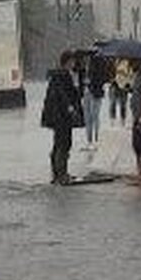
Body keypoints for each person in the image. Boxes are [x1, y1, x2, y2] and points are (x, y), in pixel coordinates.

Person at [41, 50, 84, 184]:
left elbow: (76, 94)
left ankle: (57, 173)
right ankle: (61, 174)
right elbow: (62, 94)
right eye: (72, 61)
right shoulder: (61, 75)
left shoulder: (64, 75)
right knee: (64, 143)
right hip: (61, 116)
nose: (74, 63)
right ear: (67, 61)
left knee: (59, 143)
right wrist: (69, 107)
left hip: (59, 116)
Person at [81, 51, 108, 148]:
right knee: (87, 117)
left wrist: (92, 82)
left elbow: (103, 77)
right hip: (86, 92)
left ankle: (96, 139)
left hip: (95, 92)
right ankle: (89, 140)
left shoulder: (99, 62)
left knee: (94, 116)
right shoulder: (85, 65)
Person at [109, 58, 132, 125]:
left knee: (123, 103)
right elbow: (110, 72)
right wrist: (111, 79)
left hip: (124, 84)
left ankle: (123, 119)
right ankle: (112, 118)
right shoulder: (114, 62)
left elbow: (130, 74)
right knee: (113, 102)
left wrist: (128, 84)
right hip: (115, 84)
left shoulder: (128, 63)